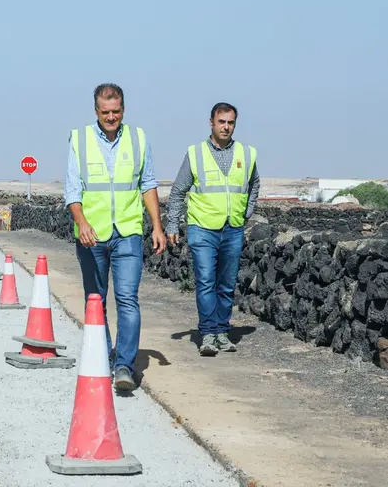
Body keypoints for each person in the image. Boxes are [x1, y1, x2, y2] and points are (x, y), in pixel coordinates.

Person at [65, 83, 166, 392]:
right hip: (91, 235)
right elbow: (72, 189)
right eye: (105, 112)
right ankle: (103, 358)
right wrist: (81, 222)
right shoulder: (79, 139)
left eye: (117, 111)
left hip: (128, 232)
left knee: (128, 299)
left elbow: (147, 184)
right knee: (95, 301)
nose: (111, 117)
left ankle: (124, 364)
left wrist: (157, 226)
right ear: (96, 111)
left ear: (124, 109)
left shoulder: (138, 138)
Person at [166, 102, 259, 356]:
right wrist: (172, 224)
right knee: (206, 281)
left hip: (233, 229)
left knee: (227, 283)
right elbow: (177, 192)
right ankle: (208, 334)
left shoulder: (247, 153)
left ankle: (221, 331)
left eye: (230, 122)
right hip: (202, 228)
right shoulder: (196, 153)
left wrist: (245, 213)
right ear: (211, 123)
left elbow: (254, 186)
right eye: (221, 122)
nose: (226, 127)